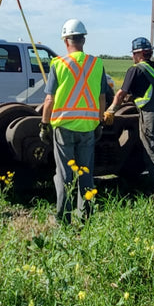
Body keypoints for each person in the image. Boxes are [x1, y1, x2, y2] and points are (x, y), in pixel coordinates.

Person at [39, 18, 108, 222]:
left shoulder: (58, 64)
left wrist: (44, 124)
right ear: (83, 40)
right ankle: (86, 215)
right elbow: (102, 98)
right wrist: (100, 122)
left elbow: (49, 99)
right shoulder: (96, 64)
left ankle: (64, 219)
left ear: (66, 41)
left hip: (64, 127)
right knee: (86, 172)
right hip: (88, 126)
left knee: (65, 175)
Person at [105, 36, 154, 191]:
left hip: (151, 117)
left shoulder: (135, 70)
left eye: (133, 54)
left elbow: (121, 94)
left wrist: (110, 111)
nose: (132, 57)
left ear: (139, 54)